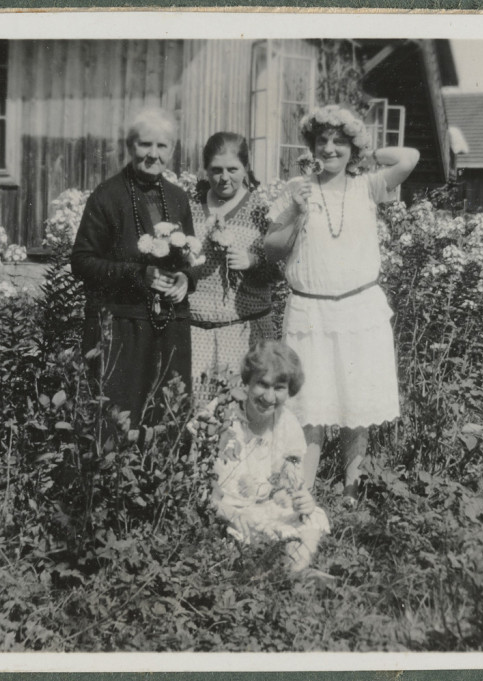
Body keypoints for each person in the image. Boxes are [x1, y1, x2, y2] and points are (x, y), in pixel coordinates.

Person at [263, 104, 420, 505]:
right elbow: (271, 250)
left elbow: (409, 158)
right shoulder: (298, 188)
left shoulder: (368, 186)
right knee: (310, 407)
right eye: (322, 141)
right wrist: (296, 210)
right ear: (311, 146)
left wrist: (368, 152)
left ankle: (353, 490)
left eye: (340, 142)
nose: (330, 149)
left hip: (358, 311)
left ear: (353, 148)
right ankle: (304, 493)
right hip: (310, 312)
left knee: (356, 403)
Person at [70, 107, 196, 425]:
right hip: (122, 326)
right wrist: (138, 275)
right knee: (117, 418)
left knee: (168, 413)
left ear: (172, 150)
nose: (153, 154)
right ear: (130, 146)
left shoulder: (178, 198)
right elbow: (82, 262)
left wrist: (185, 278)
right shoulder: (107, 196)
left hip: (170, 325)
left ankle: (162, 476)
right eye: (144, 144)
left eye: (162, 146)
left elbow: (191, 256)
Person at [212, 341, 330, 573]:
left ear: (289, 390)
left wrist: (302, 500)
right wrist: (232, 514)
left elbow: (292, 485)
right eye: (262, 385)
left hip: (267, 506)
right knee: (248, 528)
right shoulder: (222, 415)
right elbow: (200, 487)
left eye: (278, 388)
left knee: (311, 516)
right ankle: (290, 572)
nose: (269, 396)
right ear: (248, 381)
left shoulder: (288, 424)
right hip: (228, 511)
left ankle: (295, 570)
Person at [188, 132, 278, 410]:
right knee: (197, 414)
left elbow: (283, 268)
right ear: (206, 170)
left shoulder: (262, 211)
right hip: (196, 332)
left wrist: (253, 261)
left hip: (245, 331)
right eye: (216, 170)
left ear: (246, 168)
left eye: (232, 169)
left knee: (244, 413)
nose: (224, 178)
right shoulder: (190, 209)